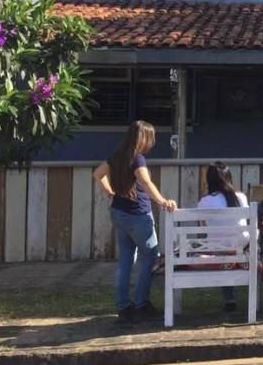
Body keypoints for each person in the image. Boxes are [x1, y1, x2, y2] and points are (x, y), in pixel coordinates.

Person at [93, 120, 177, 323]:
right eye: (150, 137)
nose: (152, 142)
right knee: (150, 257)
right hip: (138, 214)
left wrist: (110, 193)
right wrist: (162, 201)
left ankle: (123, 305)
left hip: (119, 212)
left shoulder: (117, 156)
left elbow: (98, 174)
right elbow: (145, 182)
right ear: (143, 138)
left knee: (126, 260)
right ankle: (141, 303)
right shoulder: (137, 159)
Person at [196, 162, 249, 313]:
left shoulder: (205, 201)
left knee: (221, 247)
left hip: (219, 251)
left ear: (209, 180)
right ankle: (232, 299)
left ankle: (230, 299)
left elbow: (203, 227)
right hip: (241, 250)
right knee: (230, 247)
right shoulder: (241, 197)